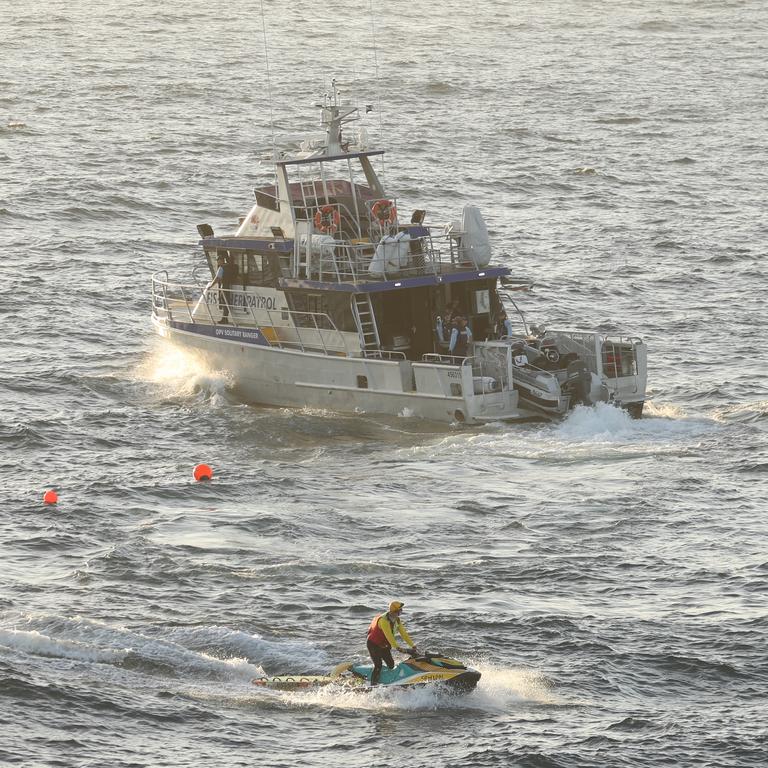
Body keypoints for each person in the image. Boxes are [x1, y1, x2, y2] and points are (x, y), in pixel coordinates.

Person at [367, 601, 417, 685]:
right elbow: (389, 636)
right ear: (394, 611)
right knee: (378, 665)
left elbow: (404, 634)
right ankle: (373, 685)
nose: (401, 613)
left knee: (391, 665)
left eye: (401, 611)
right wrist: (397, 647)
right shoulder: (384, 621)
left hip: (384, 645)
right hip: (373, 644)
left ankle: (385, 680)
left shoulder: (397, 620)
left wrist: (413, 645)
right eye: (399, 611)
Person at [210, 253, 234, 324]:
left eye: (218, 260)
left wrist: (211, 285)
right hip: (228, 286)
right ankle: (225, 318)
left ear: (221, 260)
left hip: (224, 286)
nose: (217, 262)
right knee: (226, 303)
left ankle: (224, 319)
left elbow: (217, 278)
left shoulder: (221, 268)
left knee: (224, 302)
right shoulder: (229, 267)